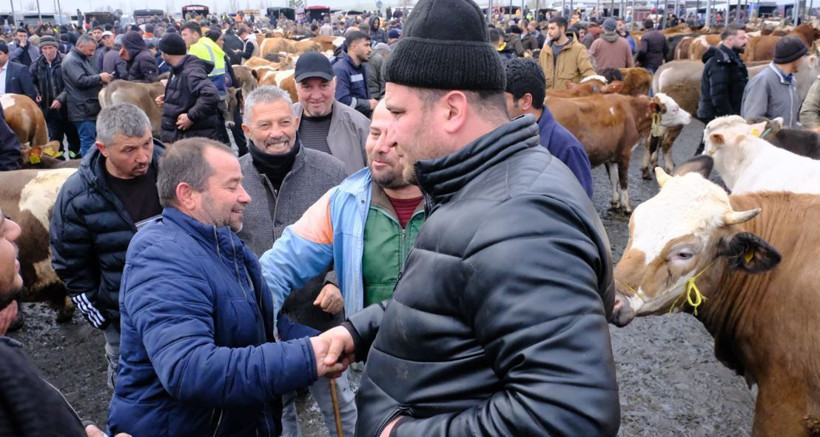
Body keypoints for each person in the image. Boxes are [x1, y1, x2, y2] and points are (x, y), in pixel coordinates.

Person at [317, 0, 620, 435]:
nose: (386, 132)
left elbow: (569, 417)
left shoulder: (522, 219)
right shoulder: (485, 185)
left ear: (453, 110)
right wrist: (359, 332)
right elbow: (456, 298)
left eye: (398, 113)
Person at [107, 137, 347, 436]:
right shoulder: (161, 256)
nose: (246, 197)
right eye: (232, 186)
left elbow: (259, 326)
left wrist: (332, 341)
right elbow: (189, 368)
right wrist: (308, 356)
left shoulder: (224, 245)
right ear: (188, 195)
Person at [260, 99, 423, 437]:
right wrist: (268, 330)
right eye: (374, 133)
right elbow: (276, 268)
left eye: (394, 140)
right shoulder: (344, 201)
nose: (379, 148)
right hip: (374, 373)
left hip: (448, 373)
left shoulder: (456, 200)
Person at [237, 85, 350, 437]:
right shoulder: (230, 178)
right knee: (275, 407)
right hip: (258, 322)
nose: (277, 133)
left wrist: (336, 280)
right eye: (265, 125)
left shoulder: (331, 172)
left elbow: (355, 237)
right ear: (246, 131)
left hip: (320, 317)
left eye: (285, 122)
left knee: (340, 403)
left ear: (297, 121)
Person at [50, 104, 163, 390]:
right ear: (102, 148)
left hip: (184, 302)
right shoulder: (77, 197)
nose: (143, 157)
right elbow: (70, 265)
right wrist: (103, 319)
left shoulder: (173, 169)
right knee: (132, 387)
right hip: (123, 319)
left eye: (147, 144)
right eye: (129, 150)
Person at [505, 58, 593, 198]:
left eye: (503, 98)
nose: (497, 105)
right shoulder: (504, 137)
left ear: (525, 101)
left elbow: (581, 206)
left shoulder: (567, 149)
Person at [294, 52, 369, 175]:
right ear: (295, 87)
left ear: (335, 83)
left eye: (324, 86)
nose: (316, 96)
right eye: (307, 87)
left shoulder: (359, 126)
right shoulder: (282, 124)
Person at [155, 32, 222, 143]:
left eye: (162, 52)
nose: (161, 55)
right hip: (180, 138)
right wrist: (169, 97)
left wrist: (191, 117)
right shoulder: (177, 69)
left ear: (166, 53)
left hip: (191, 141)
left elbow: (211, 95)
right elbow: (188, 92)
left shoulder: (191, 70)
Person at [696, 24, 748, 153]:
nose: (745, 41)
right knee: (708, 151)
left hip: (722, 117)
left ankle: (694, 169)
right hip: (719, 117)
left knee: (708, 150)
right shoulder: (720, 62)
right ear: (730, 40)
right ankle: (692, 170)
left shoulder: (730, 59)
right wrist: (729, 119)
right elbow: (719, 95)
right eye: (742, 38)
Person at [62, 34, 113, 157]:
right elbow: (80, 80)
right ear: (80, 46)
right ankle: (87, 171)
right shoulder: (72, 60)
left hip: (88, 107)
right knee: (88, 144)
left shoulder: (81, 58)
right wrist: (99, 77)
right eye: (90, 50)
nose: (92, 53)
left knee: (92, 142)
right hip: (82, 110)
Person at [30, 36, 81, 158]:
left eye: (50, 48)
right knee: (54, 138)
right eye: (44, 48)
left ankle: (75, 161)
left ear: (56, 48)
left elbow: (72, 84)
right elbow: (32, 82)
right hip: (49, 109)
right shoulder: (36, 64)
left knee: (73, 137)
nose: (48, 51)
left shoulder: (66, 61)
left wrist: (60, 99)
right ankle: (58, 162)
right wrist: (37, 93)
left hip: (68, 108)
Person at [741, 35, 806, 128]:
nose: (803, 60)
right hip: (767, 141)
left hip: (786, 141)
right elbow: (753, 121)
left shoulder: (791, 81)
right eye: (802, 56)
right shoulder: (762, 81)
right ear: (794, 58)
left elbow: (791, 120)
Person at [538, 16, 595, 90]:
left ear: (562, 29)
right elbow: (539, 76)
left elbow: (588, 73)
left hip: (568, 99)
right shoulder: (545, 50)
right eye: (549, 28)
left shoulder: (578, 49)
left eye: (552, 28)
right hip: (548, 99)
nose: (549, 32)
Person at [333, 31, 376, 118]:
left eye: (370, 45)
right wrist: (368, 104)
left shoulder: (361, 67)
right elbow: (342, 101)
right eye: (366, 45)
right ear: (354, 47)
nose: (369, 49)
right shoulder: (341, 69)